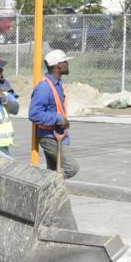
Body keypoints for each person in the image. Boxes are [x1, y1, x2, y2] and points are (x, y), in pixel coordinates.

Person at [29, 48, 78, 177]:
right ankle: (48, 188)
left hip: (58, 135)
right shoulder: (44, 87)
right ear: (58, 65)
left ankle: (50, 195)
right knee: (71, 168)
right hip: (50, 137)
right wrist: (58, 119)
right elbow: (34, 114)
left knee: (52, 172)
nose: (67, 65)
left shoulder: (57, 84)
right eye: (65, 62)